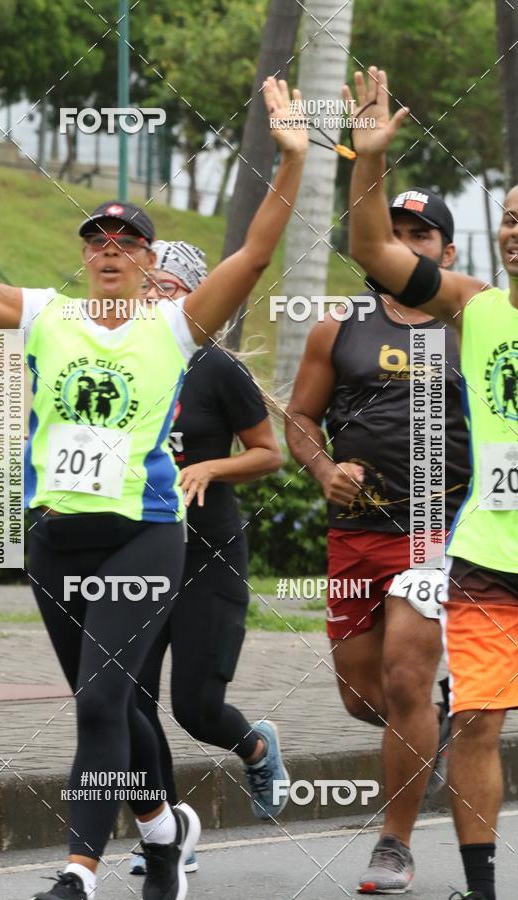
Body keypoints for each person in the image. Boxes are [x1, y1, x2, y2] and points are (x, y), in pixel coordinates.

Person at [0, 77, 308, 900]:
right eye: (97, 237)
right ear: (84, 251)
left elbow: (255, 254)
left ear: (147, 261)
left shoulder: (175, 326)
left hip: (144, 534)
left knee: (100, 704)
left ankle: (78, 871)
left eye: (127, 242)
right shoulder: (43, 314)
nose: (109, 249)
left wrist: (292, 159)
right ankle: (164, 834)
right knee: (119, 710)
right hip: (54, 539)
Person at [346, 64, 518, 900]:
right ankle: (482, 889)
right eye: (511, 222)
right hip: (487, 550)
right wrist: (369, 156)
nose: (516, 233)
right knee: (477, 719)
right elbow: (375, 251)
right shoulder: (479, 307)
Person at [286, 186, 470, 893]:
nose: (401, 244)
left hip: (438, 529)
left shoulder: (469, 326)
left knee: (402, 678)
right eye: (391, 231)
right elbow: (301, 418)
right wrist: (325, 469)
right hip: (356, 533)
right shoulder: (337, 325)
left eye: (418, 236)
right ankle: (438, 717)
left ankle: (393, 842)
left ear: (446, 254)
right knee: (365, 700)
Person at [128, 240, 289, 877]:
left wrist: (210, 466)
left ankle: (254, 746)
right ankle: (168, 833)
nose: (152, 297)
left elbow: (269, 453)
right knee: (127, 705)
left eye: (167, 287)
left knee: (195, 709)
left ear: (194, 298)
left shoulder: (217, 369)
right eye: (147, 286)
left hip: (206, 559)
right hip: (137, 559)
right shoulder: (118, 362)